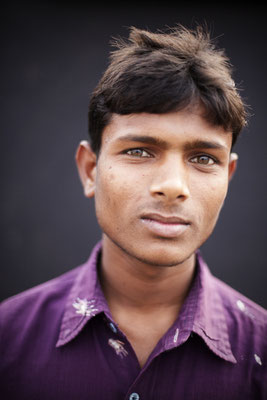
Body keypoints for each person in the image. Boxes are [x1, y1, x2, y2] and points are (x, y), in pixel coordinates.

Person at [0, 24, 266, 400]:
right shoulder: (8, 339)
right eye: (139, 151)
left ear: (228, 176)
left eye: (204, 158)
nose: (173, 185)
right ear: (90, 170)